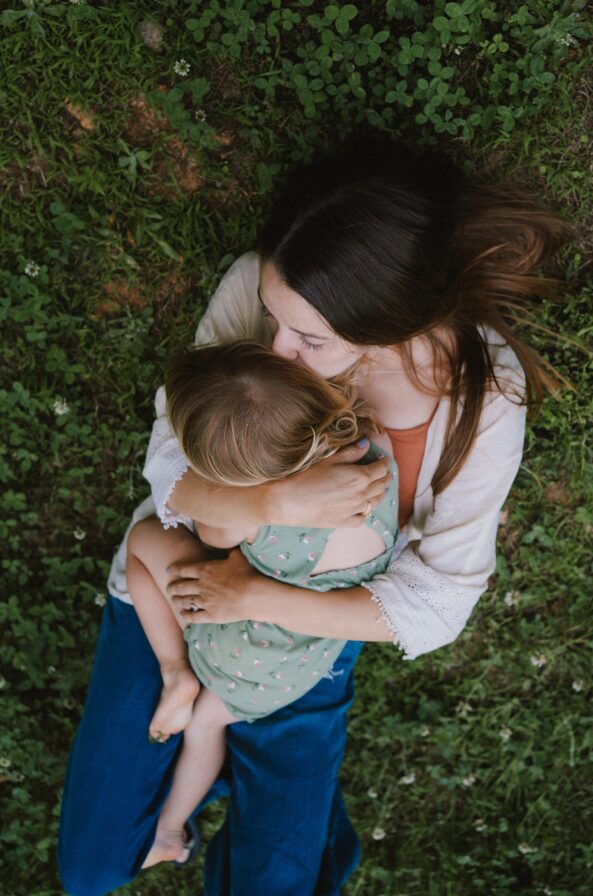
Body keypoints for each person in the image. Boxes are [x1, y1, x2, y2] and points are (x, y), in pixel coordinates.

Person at [58, 132, 567, 896]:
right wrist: (270, 501)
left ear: (393, 318)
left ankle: (238, 761)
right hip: (175, 589)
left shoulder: (483, 391)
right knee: (92, 872)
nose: (275, 350)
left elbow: (442, 602)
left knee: (276, 886)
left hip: (305, 642)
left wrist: (256, 596)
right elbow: (171, 463)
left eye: (309, 339)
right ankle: (225, 756)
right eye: (272, 318)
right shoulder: (261, 290)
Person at [125, 340, 398, 868]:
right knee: (209, 723)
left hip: (235, 637)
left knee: (142, 543)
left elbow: (213, 531)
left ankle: (176, 672)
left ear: (234, 480)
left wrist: (237, 501)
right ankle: (170, 826)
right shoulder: (374, 446)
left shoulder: (246, 514)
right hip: (298, 666)